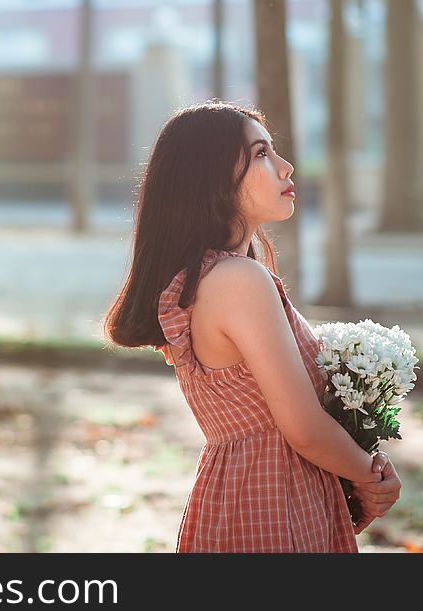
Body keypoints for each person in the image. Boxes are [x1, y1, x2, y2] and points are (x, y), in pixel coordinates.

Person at [103, 101, 401, 552]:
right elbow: (301, 427)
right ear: (213, 177)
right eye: (261, 154)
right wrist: (370, 474)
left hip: (240, 495)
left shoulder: (206, 278)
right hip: (270, 501)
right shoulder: (238, 281)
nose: (286, 167)